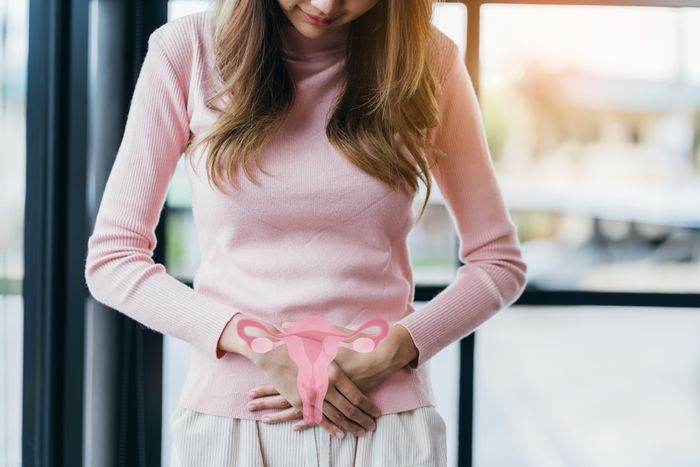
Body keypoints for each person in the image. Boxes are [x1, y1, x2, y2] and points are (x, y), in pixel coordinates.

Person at [84, 0, 528, 465]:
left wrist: (397, 348)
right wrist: (260, 345)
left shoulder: (428, 61)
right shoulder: (187, 51)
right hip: (232, 423)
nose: (326, 5)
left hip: (384, 421)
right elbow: (113, 259)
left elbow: (499, 264)